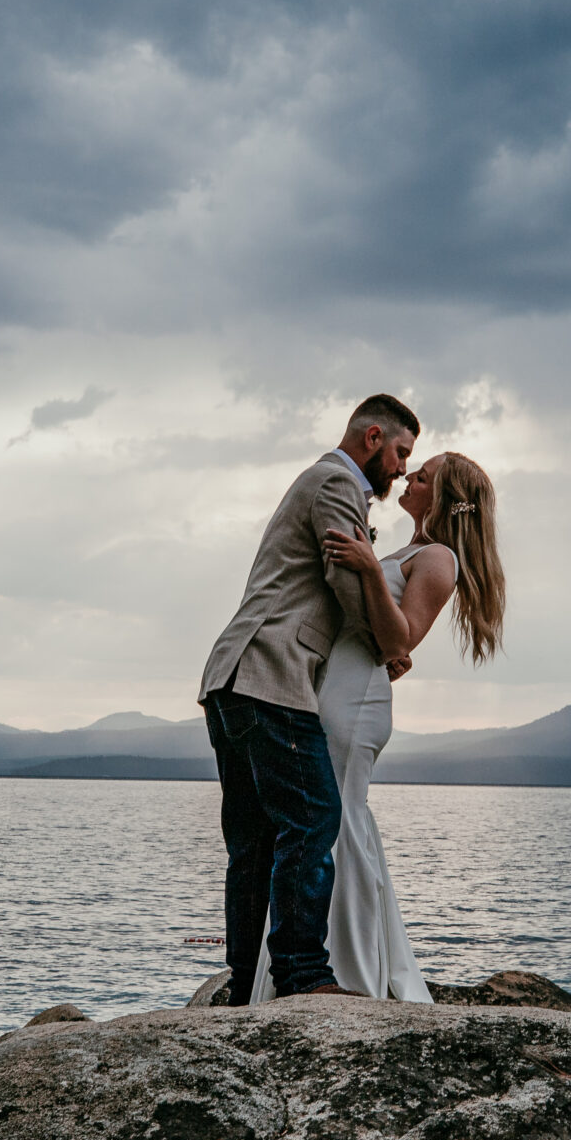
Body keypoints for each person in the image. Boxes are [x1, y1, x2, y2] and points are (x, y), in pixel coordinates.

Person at [244, 447, 507, 1003]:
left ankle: (348, 968)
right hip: (334, 686)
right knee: (325, 819)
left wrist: (366, 567)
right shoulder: (409, 549)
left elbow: (400, 638)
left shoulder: (438, 559)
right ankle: (319, 962)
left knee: (332, 817)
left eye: (424, 475)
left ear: (449, 500)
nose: (409, 477)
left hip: (355, 699)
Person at [200, 394, 419, 1002]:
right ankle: (300, 976)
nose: (401, 469)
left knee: (253, 844)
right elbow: (348, 588)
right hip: (273, 674)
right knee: (314, 817)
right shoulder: (335, 483)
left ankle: (245, 984)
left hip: (231, 678)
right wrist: (389, 641)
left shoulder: (315, 480)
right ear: (372, 437)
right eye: (401, 453)